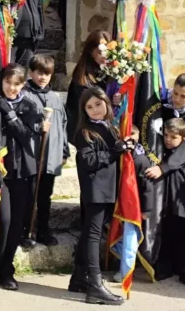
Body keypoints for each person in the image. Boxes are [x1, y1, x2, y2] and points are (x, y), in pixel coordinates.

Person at [0, 64, 44, 290]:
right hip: (1, 170)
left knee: (17, 224)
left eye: (16, 84)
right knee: (3, 221)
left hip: (22, 171)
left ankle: (7, 270)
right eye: (8, 82)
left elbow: (27, 136)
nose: (11, 88)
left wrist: (10, 115)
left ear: (23, 84)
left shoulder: (29, 105)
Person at [72, 86, 128, 305]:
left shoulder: (109, 127)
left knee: (89, 233)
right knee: (94, 235)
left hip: (107, 188)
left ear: (106, 103)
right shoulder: (85, 131)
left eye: (98, 104)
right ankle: (95, 285)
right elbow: (88, 161)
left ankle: (78, 278)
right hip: (95, 190)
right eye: (89, 107)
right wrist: (115, 151)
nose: (95, 110)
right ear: (84, 111)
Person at [134, 117, 185, 285]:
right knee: (164, 236)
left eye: (174, 137)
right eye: (166, 135)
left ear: (183, 138)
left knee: (182, 238)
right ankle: (164, 268)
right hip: (163, 205)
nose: (168, 140)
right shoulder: (160, 154)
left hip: (182, 205)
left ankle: (183, 270)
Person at [22, 53, 70, 248]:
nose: (42, 77)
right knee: (28, 195)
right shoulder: (24, 95)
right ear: (31, 73)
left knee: (44, 195)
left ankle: (43, 228)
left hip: (51, 155)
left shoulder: (55, 98)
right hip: (31, 155)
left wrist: (64, 151)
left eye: (47, 74)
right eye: (39, 73)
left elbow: (63, 125)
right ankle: (26, 230)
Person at [66, 30, 117, 139]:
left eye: (108, 53)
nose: (104, 57)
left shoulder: (112, 71)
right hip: (85, 131)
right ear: (90, 52)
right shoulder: (82, 76)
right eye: (100, 53)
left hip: (105, 127)